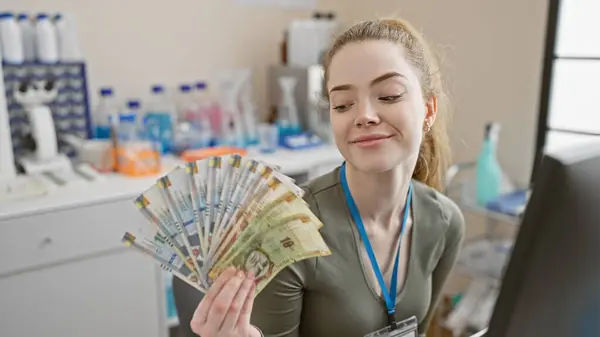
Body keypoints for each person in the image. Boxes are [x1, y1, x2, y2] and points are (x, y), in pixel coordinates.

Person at [190, 18, 466, 337]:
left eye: (389, 96)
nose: (363, 115)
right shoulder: (286, 231)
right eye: (343, 104)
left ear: (429, 110)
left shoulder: (444, 222)